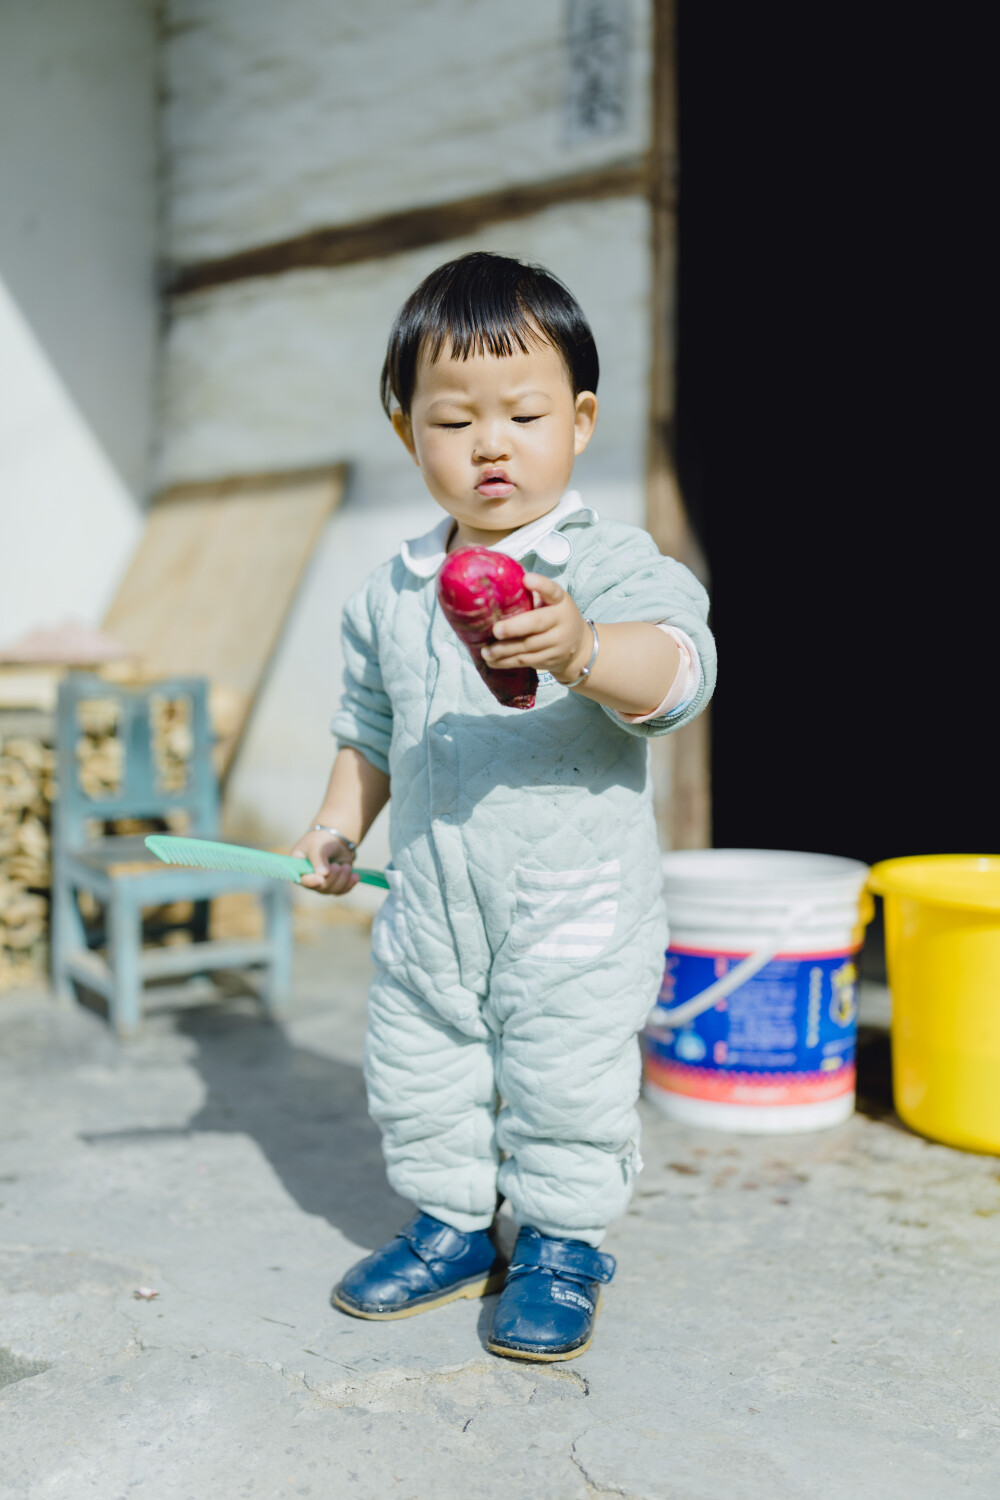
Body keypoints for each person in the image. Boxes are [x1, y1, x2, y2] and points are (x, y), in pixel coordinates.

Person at [292, 251, 716, 1362]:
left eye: (523, 412)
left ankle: (565, 1243)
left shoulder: (607, 565)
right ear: (406, 436)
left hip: (570, 902)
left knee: (565, 1077)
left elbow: (677, 674)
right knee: (422, 1066)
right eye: (451, 419)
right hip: (434, 902)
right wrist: (337, 828)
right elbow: (367, 730)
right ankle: (449, 1227)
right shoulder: (386, 591)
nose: (489, 442)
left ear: (578, 421)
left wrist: (581, 649)